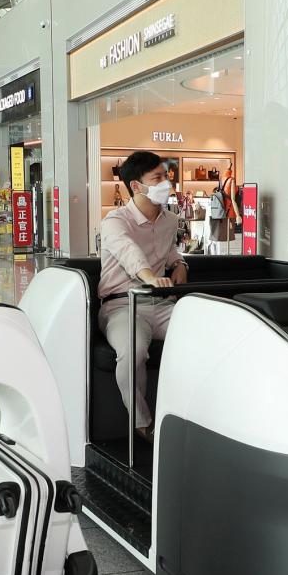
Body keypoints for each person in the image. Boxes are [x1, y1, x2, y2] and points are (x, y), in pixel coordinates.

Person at [98, 151, 187, 443]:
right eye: (158, 178)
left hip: (160, 304)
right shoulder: (115, 221)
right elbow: (128, 252)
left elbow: (170, 252)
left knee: (204, 333)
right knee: (132, 350)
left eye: (166, 176)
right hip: (122, 305)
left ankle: (195, 416)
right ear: (136, 186)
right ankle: (143, 424)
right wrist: (149, 276)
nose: (166, 183)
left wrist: (180, 265)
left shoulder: (170, 220)